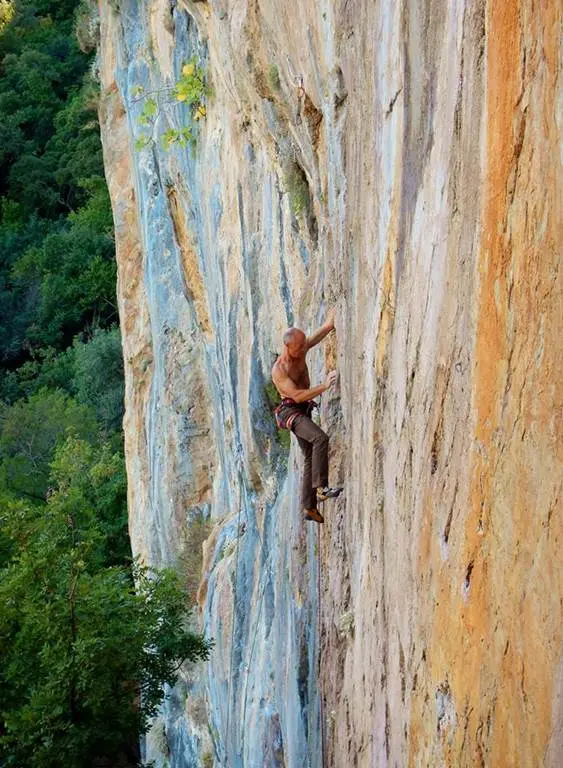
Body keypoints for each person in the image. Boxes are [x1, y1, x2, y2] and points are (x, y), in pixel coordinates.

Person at [271, 313, 343, 524]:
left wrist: (329, 324)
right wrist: (324, 386)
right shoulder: (280, 370)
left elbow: (313, 339)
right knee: (320, 438)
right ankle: (321, 488)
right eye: (300, 347)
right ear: (288, 348)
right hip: (291, 411)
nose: (304, 349)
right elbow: (297, 396)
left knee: (310, 455)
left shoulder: (300, 350)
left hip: (303, 409)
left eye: (304, 345)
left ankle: (309, 507)